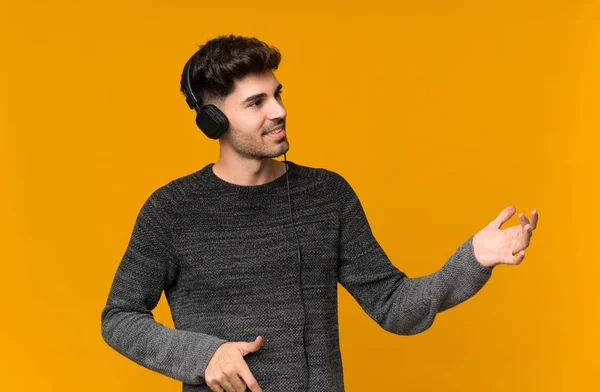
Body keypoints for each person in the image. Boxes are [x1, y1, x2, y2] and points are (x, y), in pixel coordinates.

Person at [101, 35, 539, 392]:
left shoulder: (327, 196)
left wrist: (474, 259)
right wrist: (203, 355)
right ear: (213, 120)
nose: (279, 111)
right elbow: (119, 318)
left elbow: (395, 307)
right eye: (256, 103)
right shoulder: (171, 209)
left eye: (277, 95)